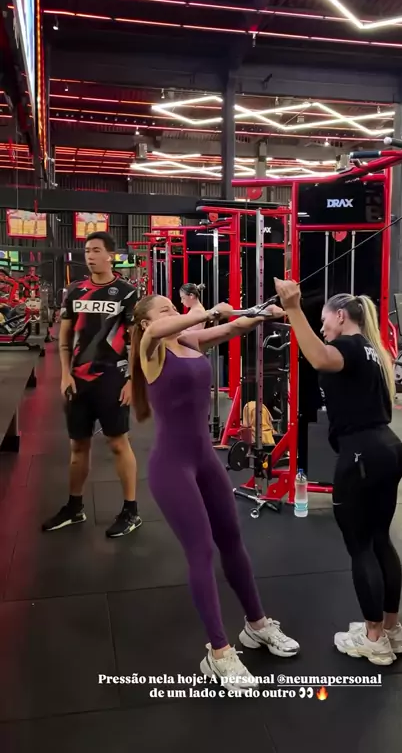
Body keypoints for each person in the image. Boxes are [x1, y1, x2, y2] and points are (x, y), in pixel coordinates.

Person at [130, 294, 300, 690]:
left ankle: (257, 625)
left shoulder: (188, 341)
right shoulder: (151, 348)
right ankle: (219, 652)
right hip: (172, 467)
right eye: (164, 309)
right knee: (201, 550)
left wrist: (263, 313)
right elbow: (162, 328)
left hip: (205, 460)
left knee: (232, 540)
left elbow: (235, 326)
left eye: (174, 307)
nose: (172, 313)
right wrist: (204, 312)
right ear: (144, 323)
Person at [274, 278, 402, 667]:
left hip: (362, 455)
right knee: (380, 540)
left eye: (324, 320)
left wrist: (294, 308)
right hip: (387, 448)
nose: (322, 328)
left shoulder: (347, 346)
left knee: (361, 546)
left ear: (340, 316)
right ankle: (391, 630)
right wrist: (287, 315)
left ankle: (373, 638)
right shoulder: (370, 350)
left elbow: (318, 358)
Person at [42, 232, 142, 538]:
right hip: (79, 380)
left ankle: (131, 511)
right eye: (87, 251)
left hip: (112, 377)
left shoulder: (127, 292)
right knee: (77, 445)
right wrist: (64, 374)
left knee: (118, 443)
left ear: (110, 255)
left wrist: (132, 382)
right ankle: (75, 507)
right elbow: (64, 338)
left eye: (96, 250)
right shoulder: (75, 291)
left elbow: (135, 342)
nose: (90, 256)